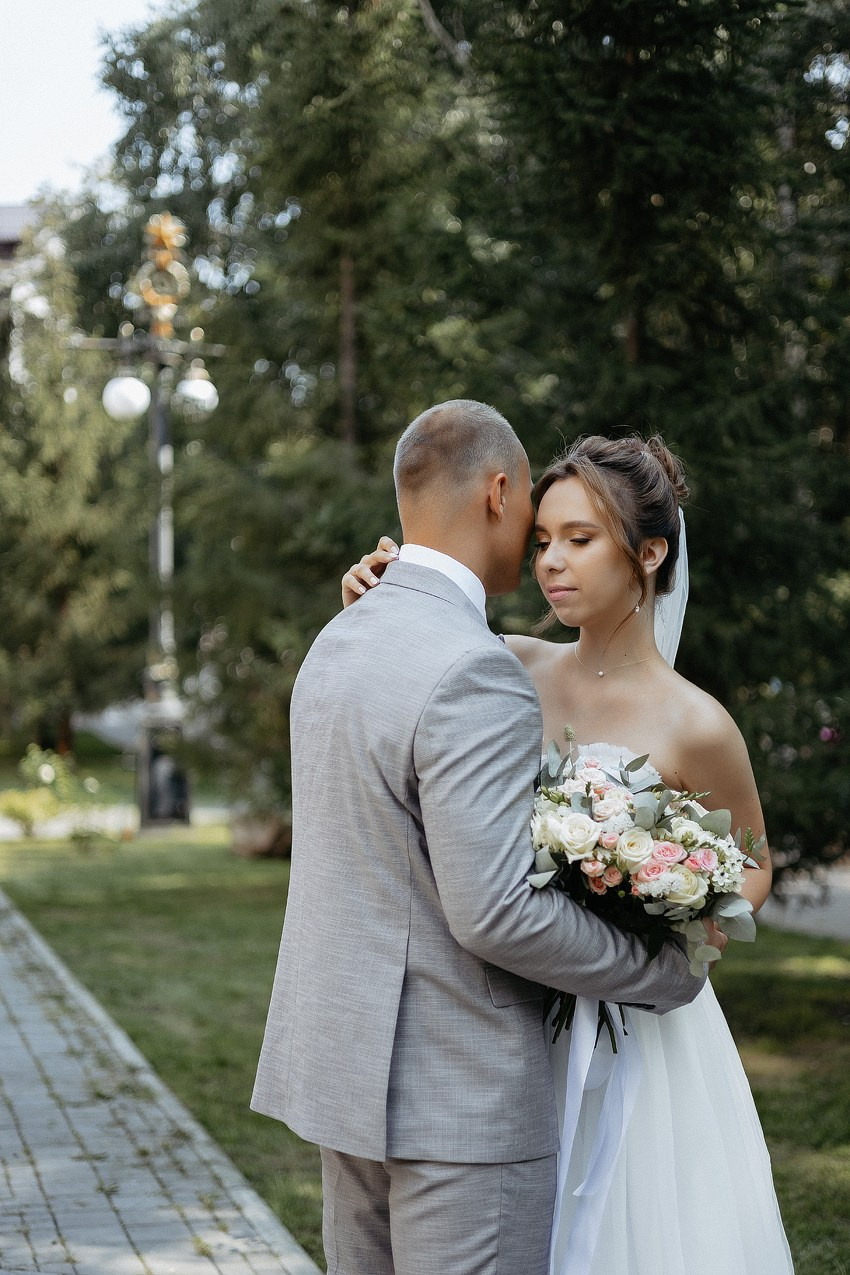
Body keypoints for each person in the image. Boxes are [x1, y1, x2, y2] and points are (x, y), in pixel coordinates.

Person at [251, 402, 702, 1275]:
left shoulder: (340, 637)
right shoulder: (474, 669)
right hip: (459, 1095)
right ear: (500, 491)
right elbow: (493, 911)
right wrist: (662, 970)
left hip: (347, 1078)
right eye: (534, 510)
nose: (540, 541)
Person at [343, 432, 794, 1275]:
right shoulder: (507, 662)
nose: (552, 562)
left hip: (636, 1023)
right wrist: (374, 587)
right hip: (510, 1013)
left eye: (580, 540)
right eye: (543, 539)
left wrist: (666, 899)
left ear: (649, 553)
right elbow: (410, 654)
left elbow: (755, 861)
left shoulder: (696, 723)